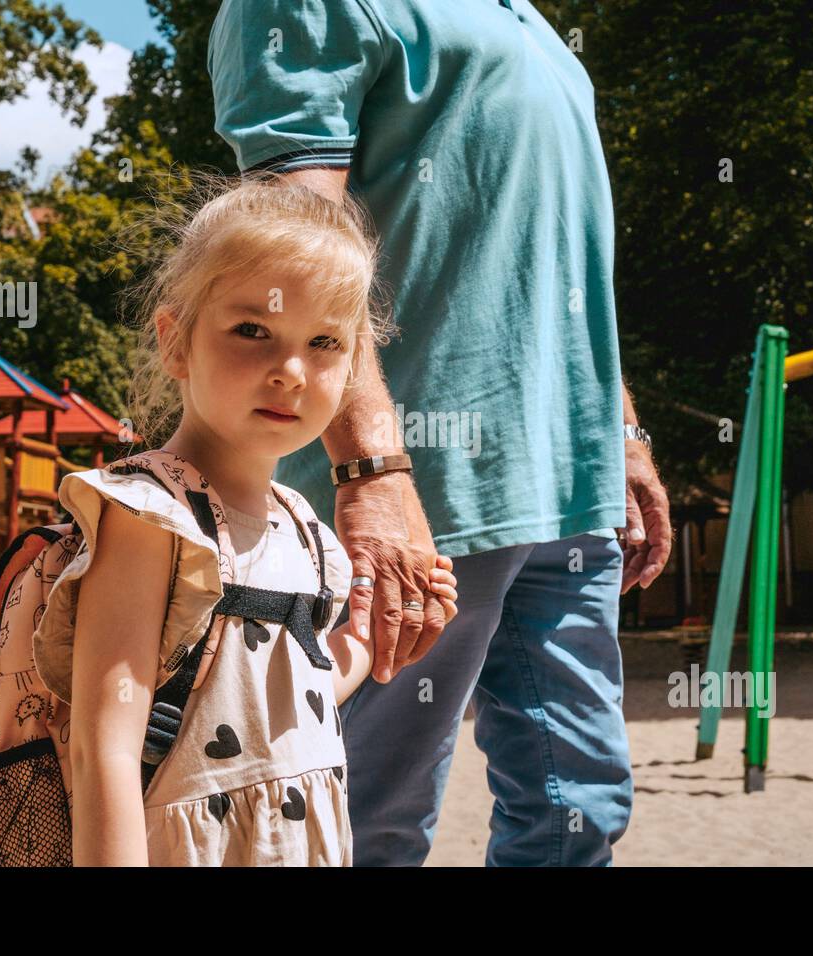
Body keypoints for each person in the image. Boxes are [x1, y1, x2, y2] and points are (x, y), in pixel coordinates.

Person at [208, 0, 673, 866]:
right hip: (420, 486)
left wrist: (624, 430)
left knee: (582, 811)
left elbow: (563, 258)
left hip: (568, 486)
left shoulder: (534, 25)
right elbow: (294, 249)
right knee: (365, 826)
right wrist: (372, 468)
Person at [40, 176, 458, 865]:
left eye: (325, 342)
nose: (291, 370)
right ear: (176, 343)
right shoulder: (153, 517)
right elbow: (104, 749)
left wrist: (375, 643)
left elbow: (294, 691)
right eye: (253, 330)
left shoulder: (306, 529)